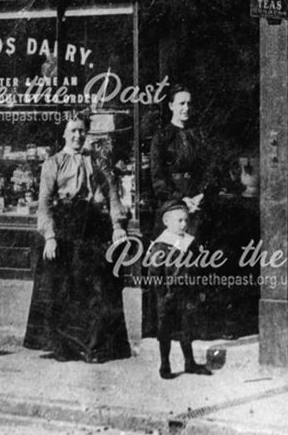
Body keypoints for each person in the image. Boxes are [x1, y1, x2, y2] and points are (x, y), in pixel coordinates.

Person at [23, 113, 131, 363]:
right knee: (62, 288)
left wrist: (117, 226)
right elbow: (45, 204)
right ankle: (65, 347)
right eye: (72, 130)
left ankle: (94, 347)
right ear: (64, 134)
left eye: (81, 131)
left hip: (91, 227)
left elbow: (112, 194)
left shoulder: (96, 162)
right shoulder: (53, 163)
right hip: (64, 229)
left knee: (96, 286)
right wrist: (49, 236)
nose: (77, 135)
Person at [148, 198, 213, 378]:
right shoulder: (161, 245)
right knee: (165, 329)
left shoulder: (190, 243)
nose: (184, 224)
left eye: (186, 220)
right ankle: (165, 364)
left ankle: (189, 362)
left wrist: (200, 288)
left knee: (187, 327)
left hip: (186, 293)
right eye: (180, 221)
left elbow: (199, 266)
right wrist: (162, 294)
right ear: (166, 221)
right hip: (168, 294)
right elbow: (155, 273)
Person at [150, 85, 217, 230]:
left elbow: (210, 167)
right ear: (171, 106)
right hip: (171, 202)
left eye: (189, 103)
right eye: (181, 104)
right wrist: (181, 198)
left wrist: (201, 195)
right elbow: (158, 178)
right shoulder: (161, 137)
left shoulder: (200, 136)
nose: (186, 108)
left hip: (198, 200)